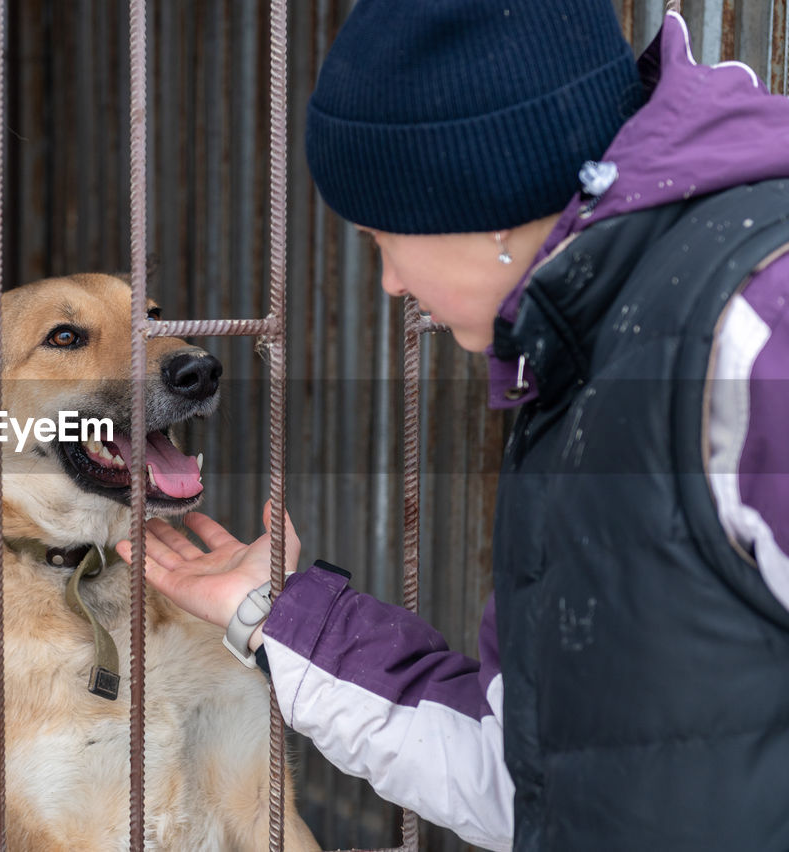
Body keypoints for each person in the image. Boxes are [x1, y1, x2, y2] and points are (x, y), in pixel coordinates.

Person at [115, 2, 789, 850]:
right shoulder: (589, 363)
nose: (391, 283)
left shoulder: (757, 328)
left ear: (478, 195)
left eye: (379, 237)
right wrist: (272, 615)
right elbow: (527, 778)